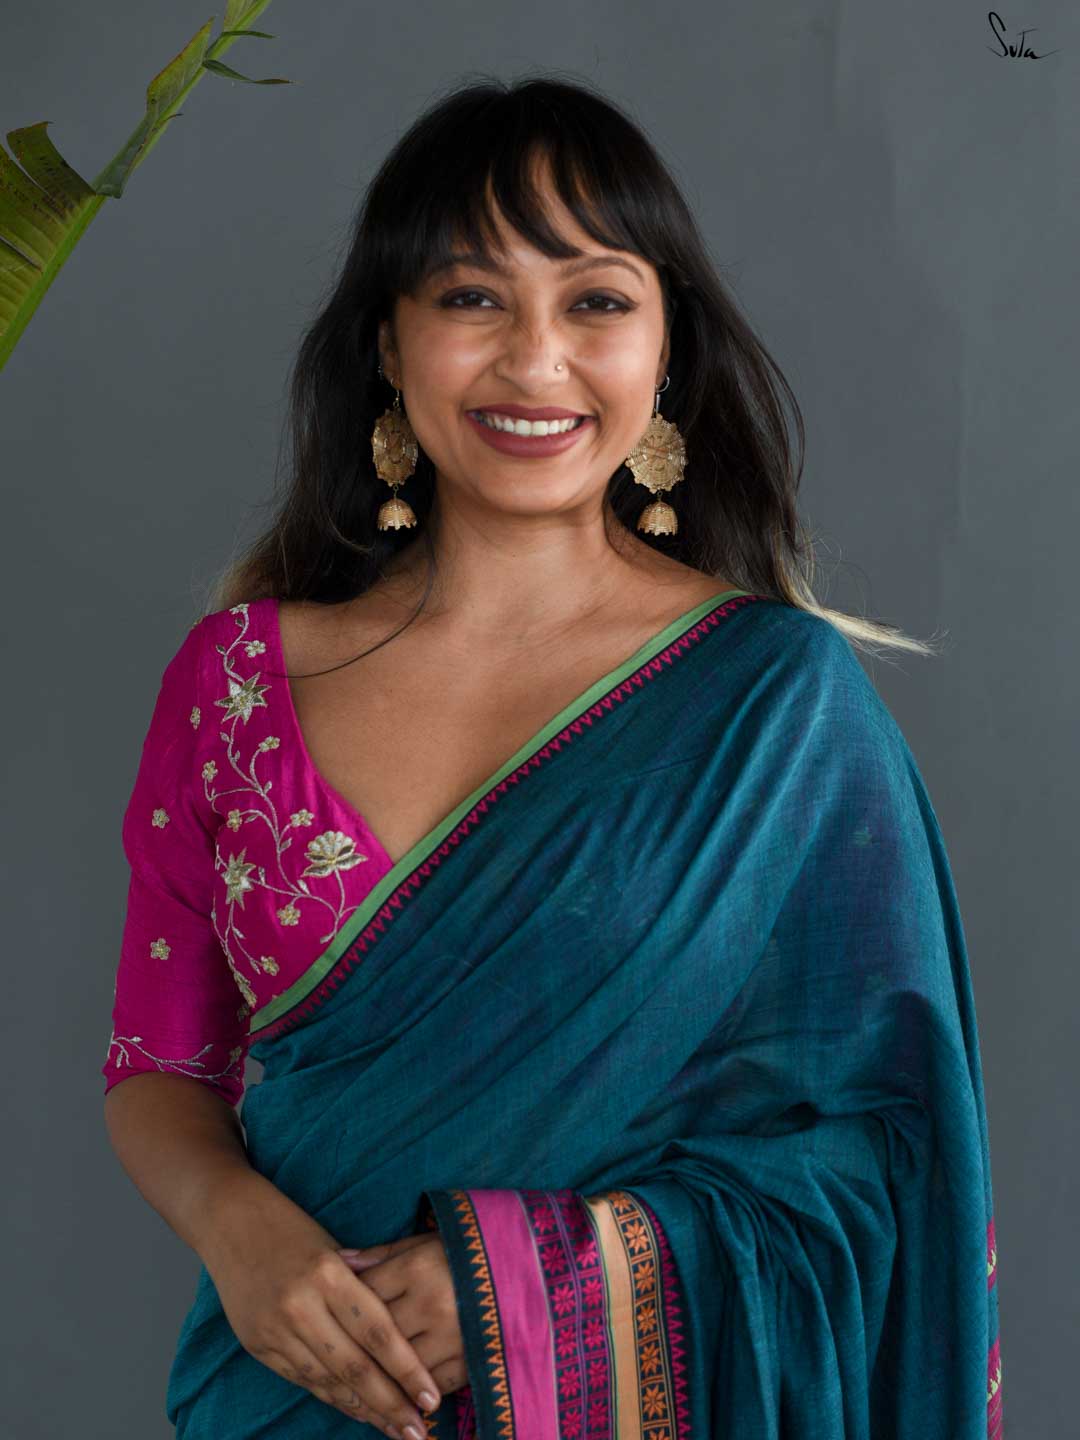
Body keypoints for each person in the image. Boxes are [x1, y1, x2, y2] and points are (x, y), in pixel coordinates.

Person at [101, 76, 1005, 1440]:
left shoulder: (773, 706)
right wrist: (242, 1236)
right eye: (472, 297)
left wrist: (523, 1288)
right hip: (287, 1390)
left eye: (596, 301)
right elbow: (159, 1063)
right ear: (389, 342)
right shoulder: (233, 683)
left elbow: (887, 1153)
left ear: (665, 350)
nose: (535, 361)